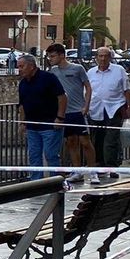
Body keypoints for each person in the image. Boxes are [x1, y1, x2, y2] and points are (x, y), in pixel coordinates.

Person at [43, 44, 93, 181]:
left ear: (62, 55)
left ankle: (93, 171)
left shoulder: (78, 68)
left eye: (52, 56)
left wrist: (86, 106)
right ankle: (77, 171)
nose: (50, 59)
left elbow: (88, 87)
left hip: (78, 110)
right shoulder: (53, 71)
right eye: (49, 56)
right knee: (70, 141)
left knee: (85, 141)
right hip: (64, 112)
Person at [17, 54, 67, 179]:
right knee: (34, 156)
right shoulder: (23, 83)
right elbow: (22, 104)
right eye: (18, 67)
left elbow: (62, 97)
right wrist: (22, 122)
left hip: (50, 125)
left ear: (32, 66)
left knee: (50, 155)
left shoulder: (48, 78)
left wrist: (60, 118)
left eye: (22, 66)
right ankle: (36, 183)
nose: (19, 69)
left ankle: (55, 181)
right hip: (32, 126)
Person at [85, 46, 130, 181]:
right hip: (95, 108)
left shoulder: (119, 70)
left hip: (114, 108)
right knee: (97, 138)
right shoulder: (91, 72)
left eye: (105, 56)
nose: (103, 59)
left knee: (111, 139)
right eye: (100, 56)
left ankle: (112, 166)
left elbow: (126, 90)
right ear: (96, 58)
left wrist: (129, 107)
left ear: (110, 57)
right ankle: (100, 164)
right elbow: (87, 90)